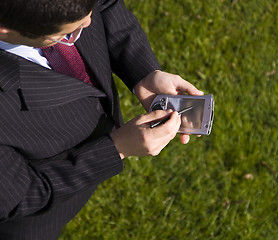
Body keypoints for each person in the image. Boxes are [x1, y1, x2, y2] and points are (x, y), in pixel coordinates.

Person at [0, 0, 203, 239]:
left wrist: (143, 73)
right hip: (38, 216)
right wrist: (115, 149)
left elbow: (106, 6)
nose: (88, 22)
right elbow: (23, 193)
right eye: (66, 34)